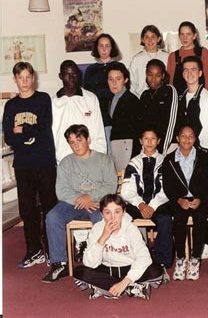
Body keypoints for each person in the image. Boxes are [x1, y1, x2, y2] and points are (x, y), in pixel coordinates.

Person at [42, 124, 117, 283]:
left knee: (101, 218)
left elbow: (111, 186)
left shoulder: (104, 159)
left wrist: (90, 197)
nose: (76, 145)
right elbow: (61, 191)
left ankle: (102, 260)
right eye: (72, 142)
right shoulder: (66, 162)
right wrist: (80, 199)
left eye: (79, 140)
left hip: (97, 203)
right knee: (52, 217)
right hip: (73, 203)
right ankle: (59, 263)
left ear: (88, 139)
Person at [2, 62, 57, 268]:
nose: (24, 81)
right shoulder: (11, 106)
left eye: (27, 77)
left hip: (44, 162)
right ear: (15, 79)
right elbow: (8, 137)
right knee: (27, 210)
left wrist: (21, 129)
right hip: (23, 164)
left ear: (33, 78)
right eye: (20, 77)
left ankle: (53, 249)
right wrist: (28, 129)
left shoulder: (43, 99)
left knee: (49, 206)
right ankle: (34, 250)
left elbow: (43, 128)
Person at [73, 194, 163, 300]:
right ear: (101, 214)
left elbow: (144, 257)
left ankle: (105, 288)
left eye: (117, 212)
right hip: (107, 270)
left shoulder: (131, 228)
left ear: (123, 212)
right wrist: (102, 238)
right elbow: (90, 263)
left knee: (156, 270)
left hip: (130, 268)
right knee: (79, 272)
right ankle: (132, 288)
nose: (112, 217)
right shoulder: (97, 229)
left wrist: (125, 281)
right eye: (107, 213)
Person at [120, 127, 173, 279]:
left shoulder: (165, 161)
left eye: (153, 139)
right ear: (140, 141)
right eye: (146, 139)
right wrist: (141, 204)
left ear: (159, 141)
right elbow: (126, 190)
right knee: (123, 219)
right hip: (138, 205)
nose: (149, 142)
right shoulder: (133, 162)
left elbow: (167, 189)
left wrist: (152, 205)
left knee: (165, 220)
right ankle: (127, 260)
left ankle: (161, 264)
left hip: (159, 204)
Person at [163, 125, 208, 281]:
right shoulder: (169, 159)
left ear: (195, 139)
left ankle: (195, 258)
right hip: (179, 199)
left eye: (191, 136)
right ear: (177, 138)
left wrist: (200, 199)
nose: (187, 140)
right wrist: (179, 200)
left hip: (199, 198)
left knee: (200, 217)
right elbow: (168, 186)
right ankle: (181, 258)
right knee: (179, 217)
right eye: (183, 136)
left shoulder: (204, 157)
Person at [51, 60, 106, 163]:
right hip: (63, 161)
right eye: (67, 74)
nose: (71, 78)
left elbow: (99, 133)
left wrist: (99, 159)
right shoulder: (52, 103)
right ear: (60, 76)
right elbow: (52, 136)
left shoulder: (90, 98)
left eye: (75, 74)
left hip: (89, 160)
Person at [84, 33, 121, 151]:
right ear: (96, 48)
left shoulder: (119, 67)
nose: (104, 49)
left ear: (112, 48)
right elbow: (86, 95)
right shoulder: (90, 70)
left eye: (107, 46)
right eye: (101, 46)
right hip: (97, 115)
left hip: (116, 116)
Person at [176, 56, 208, 152]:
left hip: (201, 154)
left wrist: (199, 155)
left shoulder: (206, 99)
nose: (189, 73)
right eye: (186, 70)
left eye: (193, 69)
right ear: (183, 74)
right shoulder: (181, 97)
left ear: (200, 73)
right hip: (184, 152)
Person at [106, 62, 142, 172]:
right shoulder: (111, 99)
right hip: (115, 146)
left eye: (118, 79)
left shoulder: (132, 100)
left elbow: (137, 132)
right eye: (110, 79)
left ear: (125, 80)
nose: (114, 83)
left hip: (127, 147)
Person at [140, 59, 179, 155]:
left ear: (163, 76)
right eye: (150, 75)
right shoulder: (145, 95)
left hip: (167, 147)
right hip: (149, 147)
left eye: (157, 75)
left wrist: (162, 152)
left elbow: (171, 124)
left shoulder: (169, 91)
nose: (153, 79)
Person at [167, 21, 208, 96]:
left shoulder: (203, 53)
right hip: (179, 100)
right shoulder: (173, 56)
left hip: (200, 98)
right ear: (179, 36)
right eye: (182, 34)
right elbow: (170, 84)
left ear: (194, 36)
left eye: (188, 34)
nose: (185, 38)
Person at [129, 25, 168, 98]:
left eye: (153, 37)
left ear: (158, 39)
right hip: (141, 99)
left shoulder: (167, 57)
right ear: (142, 40)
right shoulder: (137, 59)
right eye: (146, 37)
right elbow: (132, 83)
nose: (150, 40)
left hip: (163, 98)